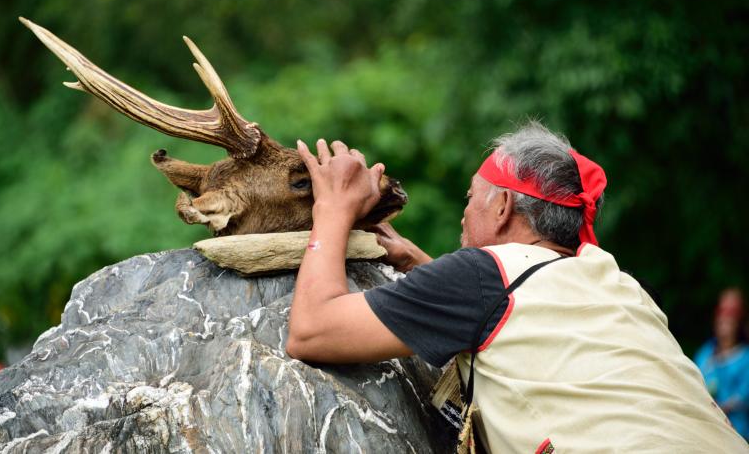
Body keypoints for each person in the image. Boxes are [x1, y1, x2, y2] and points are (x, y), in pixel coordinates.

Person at [286, 121, 748, 452]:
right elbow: (511, 302)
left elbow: (311, 329)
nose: (464, 213)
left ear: (503, 205)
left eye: (471, 198)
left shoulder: (481, 276)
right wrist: (417, 262)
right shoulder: (623, 285)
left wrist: (333, 207)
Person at [695, 288, 749, 439]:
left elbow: (744, 395)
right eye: (722, 314)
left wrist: (721, 407)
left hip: (737, 432)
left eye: (731, 315)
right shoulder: (706, 352)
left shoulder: (745, 357)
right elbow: (694, 379)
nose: (724, 321)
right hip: (705, 428)